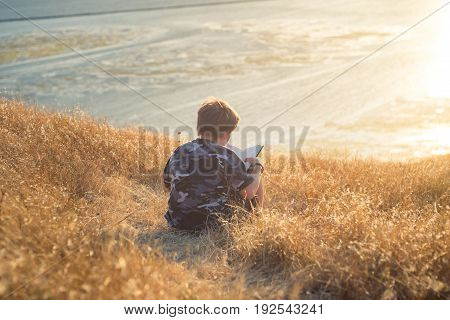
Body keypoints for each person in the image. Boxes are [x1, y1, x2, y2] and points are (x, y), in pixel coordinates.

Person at [162, 97, 264, 230]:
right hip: (216, 226)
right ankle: (257, 223)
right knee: (255, 175)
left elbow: (166, 186)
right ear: (226, 134)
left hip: (178, 223)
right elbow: (249, 192)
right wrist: (257, 166)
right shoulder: (227, 156)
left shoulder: (179, 151)